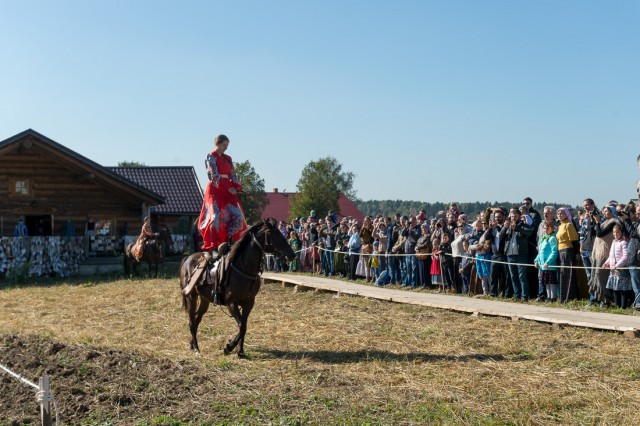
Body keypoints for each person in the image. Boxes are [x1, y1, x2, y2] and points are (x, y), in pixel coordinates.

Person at [197, 134, 247, 257]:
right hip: (215, 189)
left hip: (228, 190)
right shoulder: (211, 157)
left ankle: (228, 243)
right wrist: (227, 187)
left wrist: (236, 187)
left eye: (227, 145)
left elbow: (233, 175)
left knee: (238, 216)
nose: (226, 148)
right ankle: (213, 247)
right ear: (217, 144)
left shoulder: (228, 158)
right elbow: (213, 175)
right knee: (215, 217)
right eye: (224, 145)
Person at [604, 224, 632, 309]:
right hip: (614, 269)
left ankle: (623, 307)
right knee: (615, 288)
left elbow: (625, 257)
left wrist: (617, 265)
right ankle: (617, 306)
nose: (616, 234)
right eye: (614, 232)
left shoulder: (624, 242)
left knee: (623, 289)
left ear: (621, 232)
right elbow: (611, 256)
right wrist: (606, 263)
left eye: (618, 232)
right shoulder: (613, 242)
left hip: (621, 269)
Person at [556, 207, 580, 303]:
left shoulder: (569, 225)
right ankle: (563, 297)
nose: (559, 215)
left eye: (561, 213)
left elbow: (574, 240)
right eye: (558, 214)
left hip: (568, 251)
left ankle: (570, 297)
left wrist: (577, 253)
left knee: (569, 275)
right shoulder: (560, 226)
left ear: (567, 214)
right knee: (563, 275)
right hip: (560, 251)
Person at [534, 222, 559, 303]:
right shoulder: (543, 239)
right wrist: (536, 260)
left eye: (547, 228)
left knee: (552, 282)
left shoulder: (552, 238)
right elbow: (540, 252)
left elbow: (554, 252)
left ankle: (553, 298)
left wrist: (548, 262)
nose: (545, 230)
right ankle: (548, 297)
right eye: (544, 228)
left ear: (552, 229)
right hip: (543, 266)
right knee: (547, 282)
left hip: (550, 265)